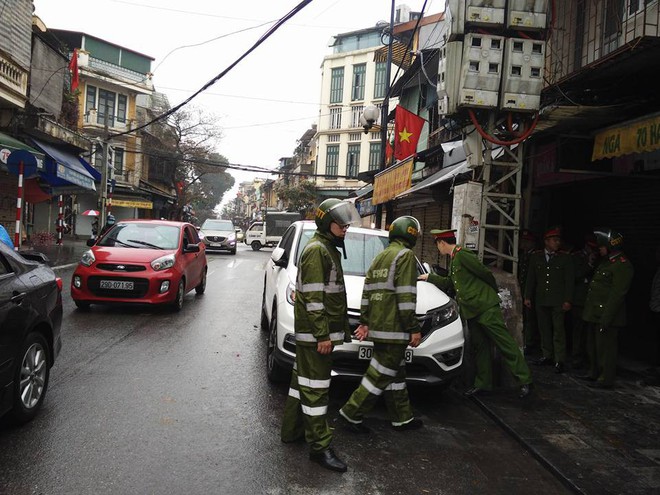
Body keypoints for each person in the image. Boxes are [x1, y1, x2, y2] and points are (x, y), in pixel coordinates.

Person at [280, 198, 361, 473]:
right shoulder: (317, 250)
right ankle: (319, 447)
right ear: (328, 223)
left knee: (299, 383)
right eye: (342, 223)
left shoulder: (326, 247)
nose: (346, 227)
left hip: (315, 334)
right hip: (315, 337)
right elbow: (314, 300)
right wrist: (322, 335)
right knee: (316, 391)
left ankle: (292, 432)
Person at [420, 229, 533, 399]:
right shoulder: (454, 259)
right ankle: (482, 384)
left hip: (485, 308)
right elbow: (451, 282)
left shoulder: (463, 254)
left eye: (437, 245)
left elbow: (485, 273)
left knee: (504, 343)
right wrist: (429, 278)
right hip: (471, 311)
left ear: (442, 243)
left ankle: (525, 380)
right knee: (480, 347)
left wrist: (490, 294)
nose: (438, 249)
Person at [338, 216, 424, 434]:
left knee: (395, 373)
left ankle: (402, 418)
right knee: (380, 374)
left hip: (379, 327)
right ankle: (351, 413)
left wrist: (365, 321)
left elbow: (367, 293)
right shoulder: (405, 256)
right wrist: (413, 328)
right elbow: (406, 297)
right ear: (412, 234)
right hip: (395, 328)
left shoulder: (380, 257)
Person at [580, 228, 634, 389]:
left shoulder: (622, 265)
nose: (599, 249)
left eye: (602, 246)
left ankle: (605, 378)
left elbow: (617, 294)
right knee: (594, 346)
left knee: (606, 349)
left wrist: (606, 317)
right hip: (594, 312)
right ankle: (594, 372)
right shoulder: (605, 262)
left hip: (607, 314)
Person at [524, 227, 575, 373]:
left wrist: (568, 300)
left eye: (558, 240)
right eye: (554, 240)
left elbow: (569, 281)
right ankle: (547, 355)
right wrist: (527, 296)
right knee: (544, 329)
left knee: (558, 330)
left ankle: (560, 359)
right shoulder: (537, 257)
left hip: (558, 300)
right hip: (541, 299)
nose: (557, 243)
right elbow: (531, 278)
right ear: (546, 242)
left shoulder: (565, 258)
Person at [569, 234, 598, 369]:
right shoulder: (577, 257)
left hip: (591, 300)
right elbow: (576, 274)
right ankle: (576, 356)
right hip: (579, 299)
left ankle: (588, 356)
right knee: (578, 330)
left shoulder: (599, 259)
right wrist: (589, 264)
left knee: (590, 331)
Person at [518, 229, 539, 355]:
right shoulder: (523, 255)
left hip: (531, 291)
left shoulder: (535, 256)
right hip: (522, 288)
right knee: (524, 317)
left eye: (525, 241)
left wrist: (528, 294)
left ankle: (530, 342)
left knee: (530, 319)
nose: (522, 243)